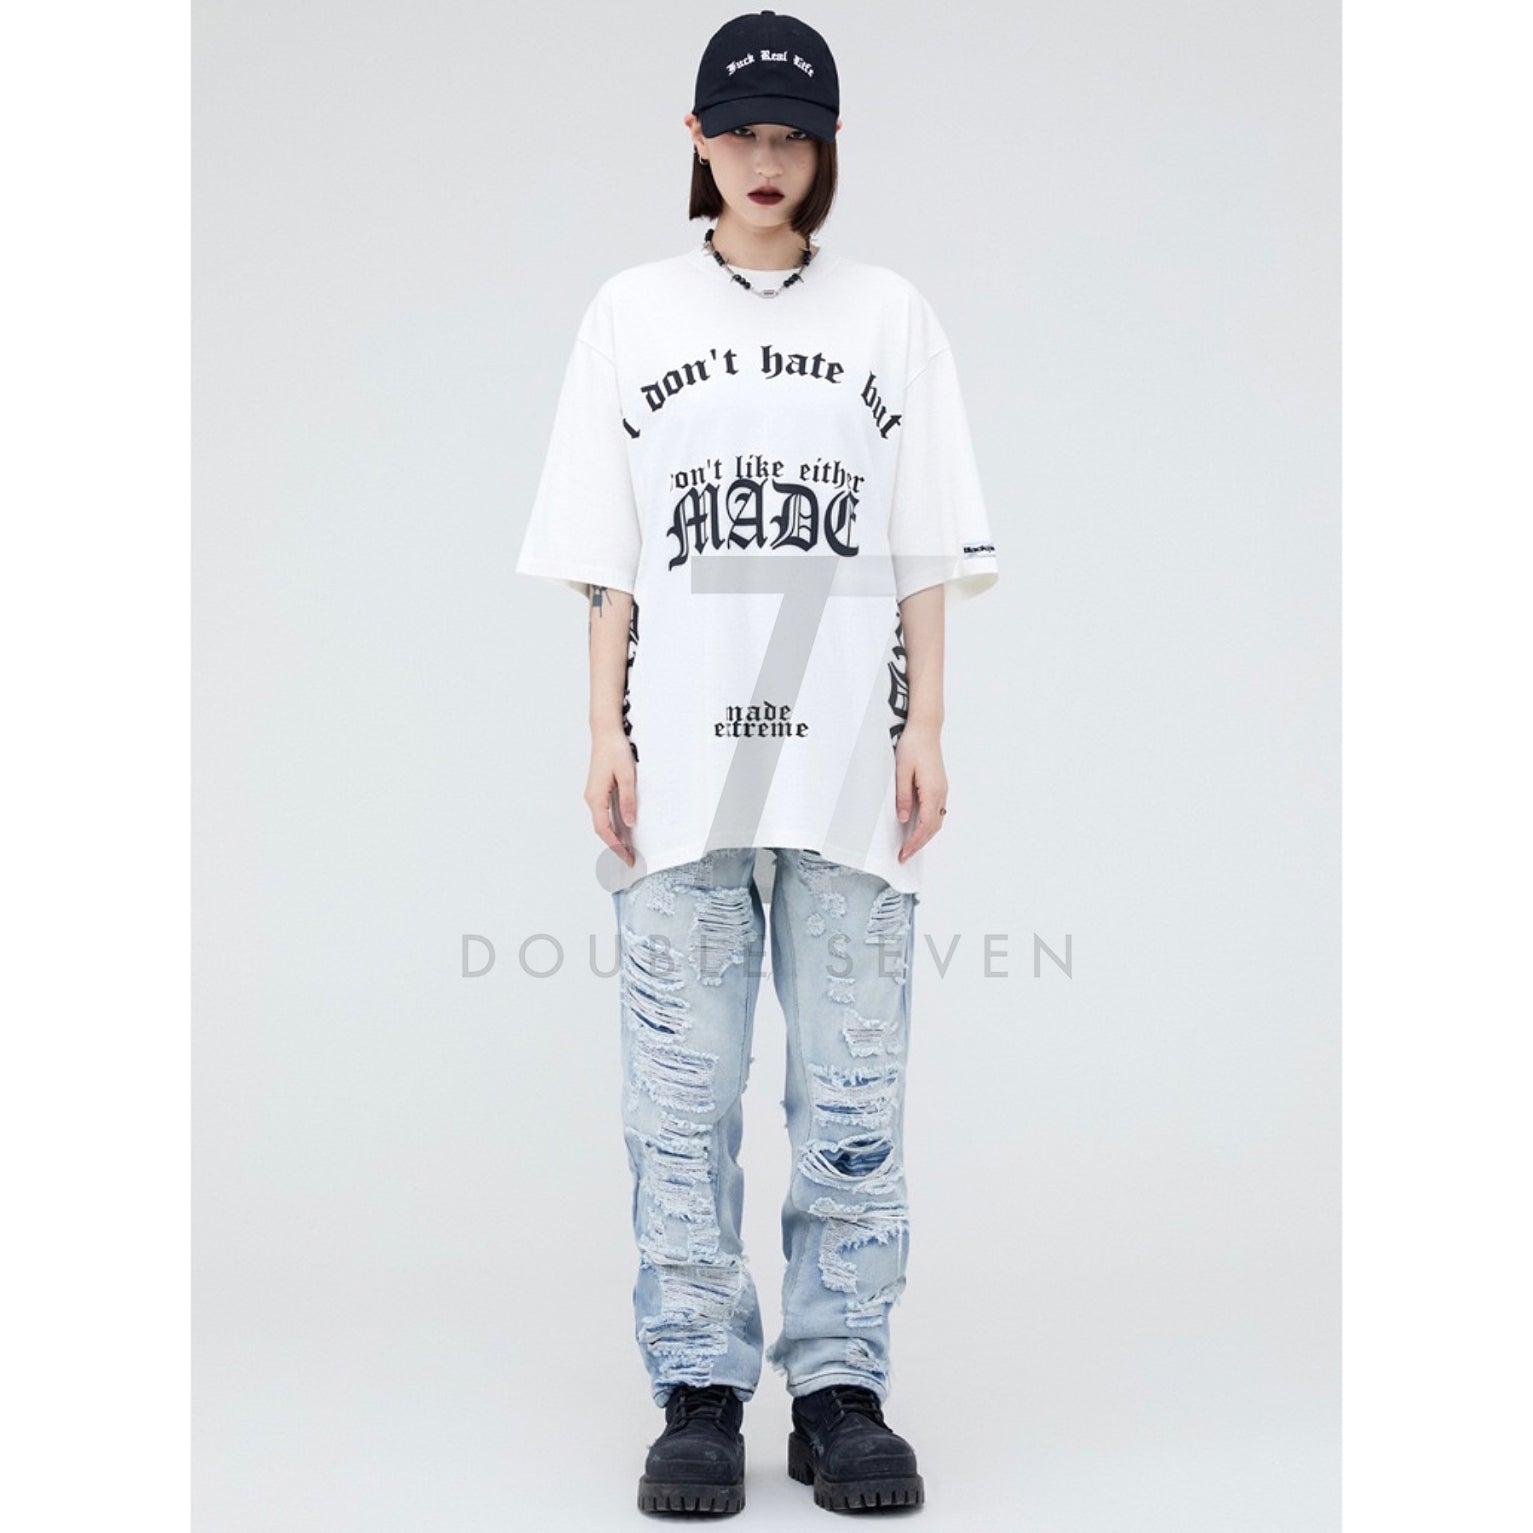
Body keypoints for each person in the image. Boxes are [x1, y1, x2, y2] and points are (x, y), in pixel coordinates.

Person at [516, 10, 999, 1516]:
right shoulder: (630, 315)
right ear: (697, 142)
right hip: (680, 765)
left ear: (828, 148)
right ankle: (701, 1391)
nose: (767, 161)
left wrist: (926, 726)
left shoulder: (890, 317)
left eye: (793, 135)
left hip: (849, 762)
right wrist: (603, 727)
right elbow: (608, 552)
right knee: (682, 1101)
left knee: (851, 1100)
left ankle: (841, 1387)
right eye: (741, 134)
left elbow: (923, 544)